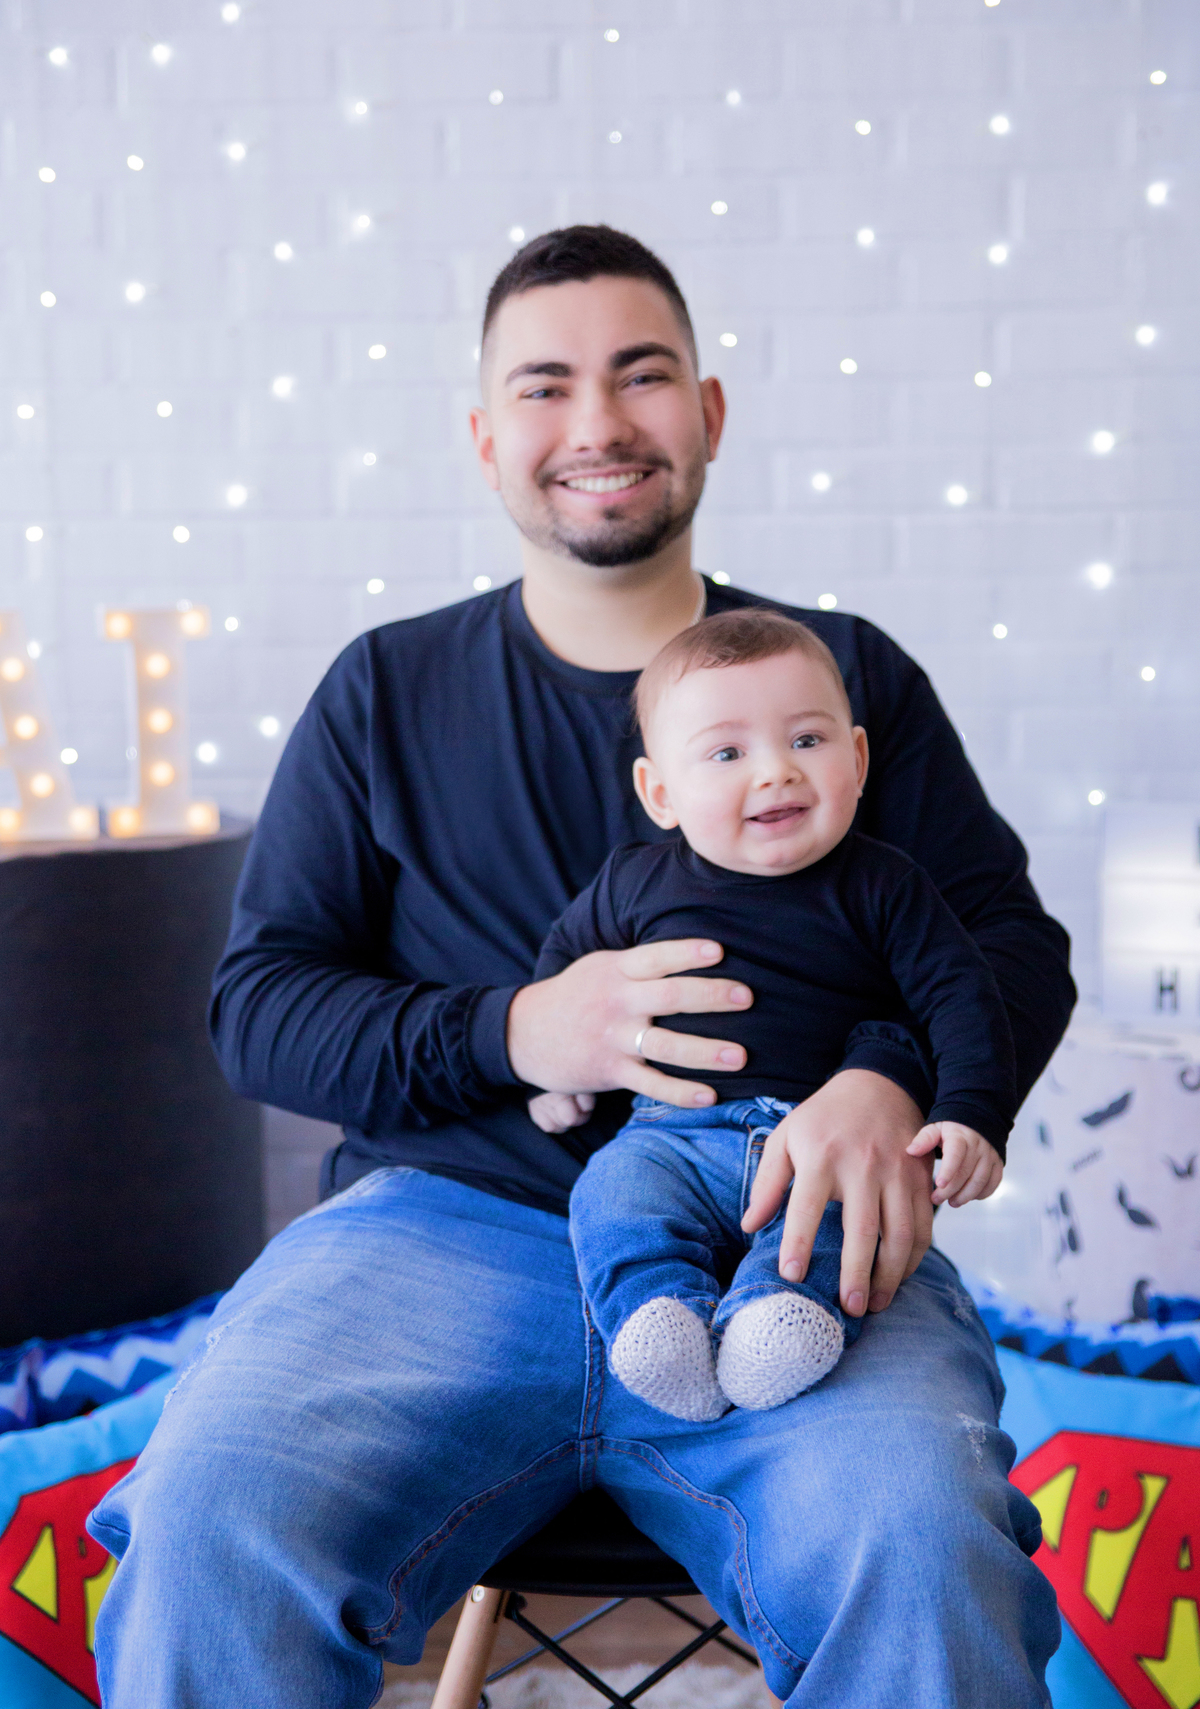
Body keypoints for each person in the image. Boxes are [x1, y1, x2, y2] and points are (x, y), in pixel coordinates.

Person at [88, 225, 1072, 1708]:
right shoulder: (384, 691)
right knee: (207, 1518)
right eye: (547, 387)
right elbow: (261, 1008)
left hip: (789, 1247)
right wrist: (518, 1031)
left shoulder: (847, 679)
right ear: (488, 441)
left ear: (710, 413)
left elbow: (1010, 948)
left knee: (928, 1550)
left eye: (643, 375)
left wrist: (890, 1080)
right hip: (441, 1238)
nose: (600, 424)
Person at [532, 607, 1014, 1422]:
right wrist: (556, 1075)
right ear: (660, 793)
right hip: (668, 1137)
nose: (775, 774)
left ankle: (780, 1316)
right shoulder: (631, 884)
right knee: (610, 1192)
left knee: (837, 1229)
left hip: (819, 1142)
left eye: (807, 741)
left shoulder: (885, 886)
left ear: (857, 759)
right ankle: (660, 1315)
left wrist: (970, 1113)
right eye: (727, 753)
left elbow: (963, 999)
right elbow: (565, 971)